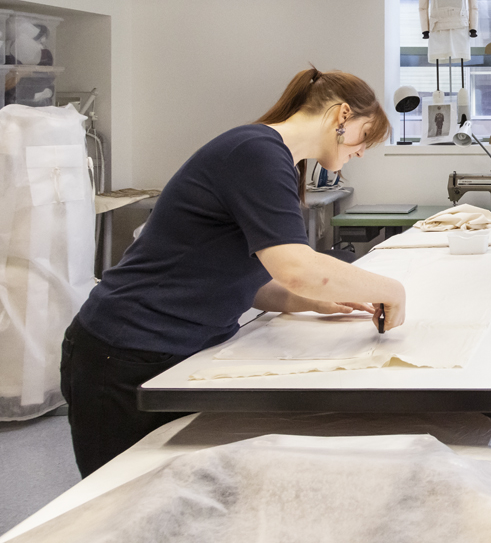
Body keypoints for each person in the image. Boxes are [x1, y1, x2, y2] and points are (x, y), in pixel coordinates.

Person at [60, 68, 407, 476]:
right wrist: (392, 289)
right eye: (366, 135)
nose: (362, 151)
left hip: (171, 350)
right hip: (122, 350)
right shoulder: (256, 151)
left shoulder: (271, 157)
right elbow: (296, 268)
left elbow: (242, 275)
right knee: (118, 507)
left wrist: (307, 300)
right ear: (342, 115)